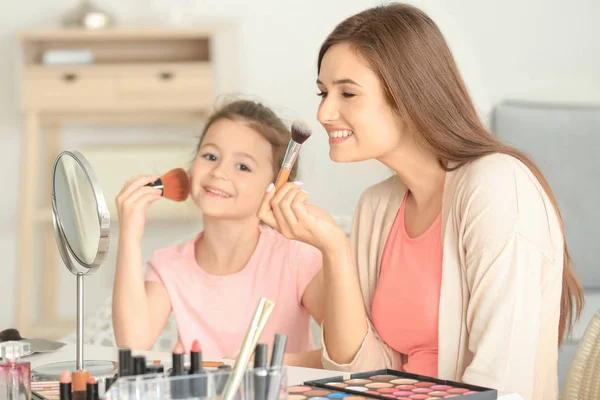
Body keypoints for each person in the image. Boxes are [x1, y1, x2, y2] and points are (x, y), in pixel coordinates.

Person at [258, 3, 584, 399]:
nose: (325, 111)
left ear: (408, 92)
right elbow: (365, 374)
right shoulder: (377, 206)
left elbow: (502, 383)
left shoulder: (497, 186)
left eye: (347, 92)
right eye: (324, 92)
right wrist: (335, 249)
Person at [112, 99, 324, 367]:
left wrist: (271, 362)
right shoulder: (169, 265)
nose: (219, 172)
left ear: (275, 187)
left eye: (243, 166)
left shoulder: (298, 259)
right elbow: (132, 344)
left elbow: (347, 358)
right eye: (210, 156)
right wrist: (130, 232)